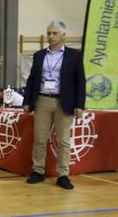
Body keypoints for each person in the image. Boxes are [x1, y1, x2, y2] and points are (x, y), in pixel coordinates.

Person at [23, 19, 86, 189]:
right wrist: (27, 101)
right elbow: (32, 79)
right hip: (42, 100)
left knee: (63, 140)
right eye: (49, 33)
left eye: (54, 33)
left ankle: (63, 174)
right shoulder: (39, 55)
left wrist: (79, 105)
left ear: (64, 35)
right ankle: (38, 171)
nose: (51, 36)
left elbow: (80, 81)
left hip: (64, 101)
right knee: (40, 138)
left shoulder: (74, 55)